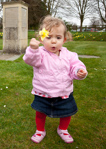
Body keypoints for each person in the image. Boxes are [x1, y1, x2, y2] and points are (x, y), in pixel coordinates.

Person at [23, 16, 87, 144]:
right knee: (40, 113)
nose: (53, 42)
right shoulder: (39, 53)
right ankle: (40, 130)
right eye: (49, 37)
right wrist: (33, 49)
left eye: (58, 38)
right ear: (42, 38)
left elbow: (75, 65)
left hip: (64, 92)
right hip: (43, 92)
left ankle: (63, 129)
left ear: (64, 39)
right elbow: (30, 60)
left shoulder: (69, 55)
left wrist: (79, 71)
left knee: (67, 113)